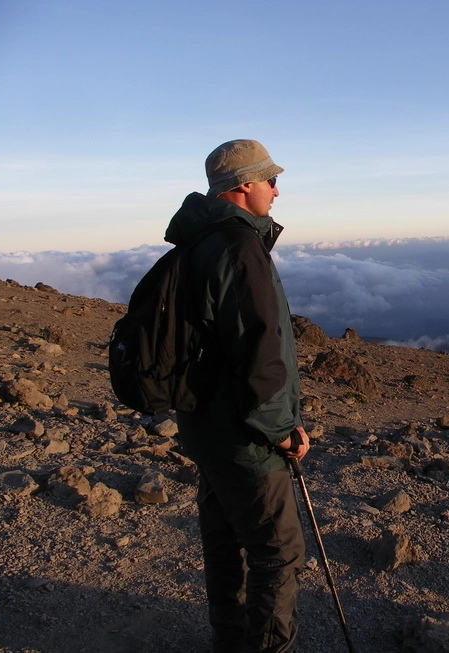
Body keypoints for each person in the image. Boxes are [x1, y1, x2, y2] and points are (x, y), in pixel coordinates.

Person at [164, 139, 310, 653]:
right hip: (244, 437)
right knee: (280, 554)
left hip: (204, 427)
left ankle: (230, 642)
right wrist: (282, 431)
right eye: (270, 179)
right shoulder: (239, 248)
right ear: (243, 184)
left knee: (226, 544)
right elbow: (260, 353)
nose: (277, 189)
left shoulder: (198, 240)